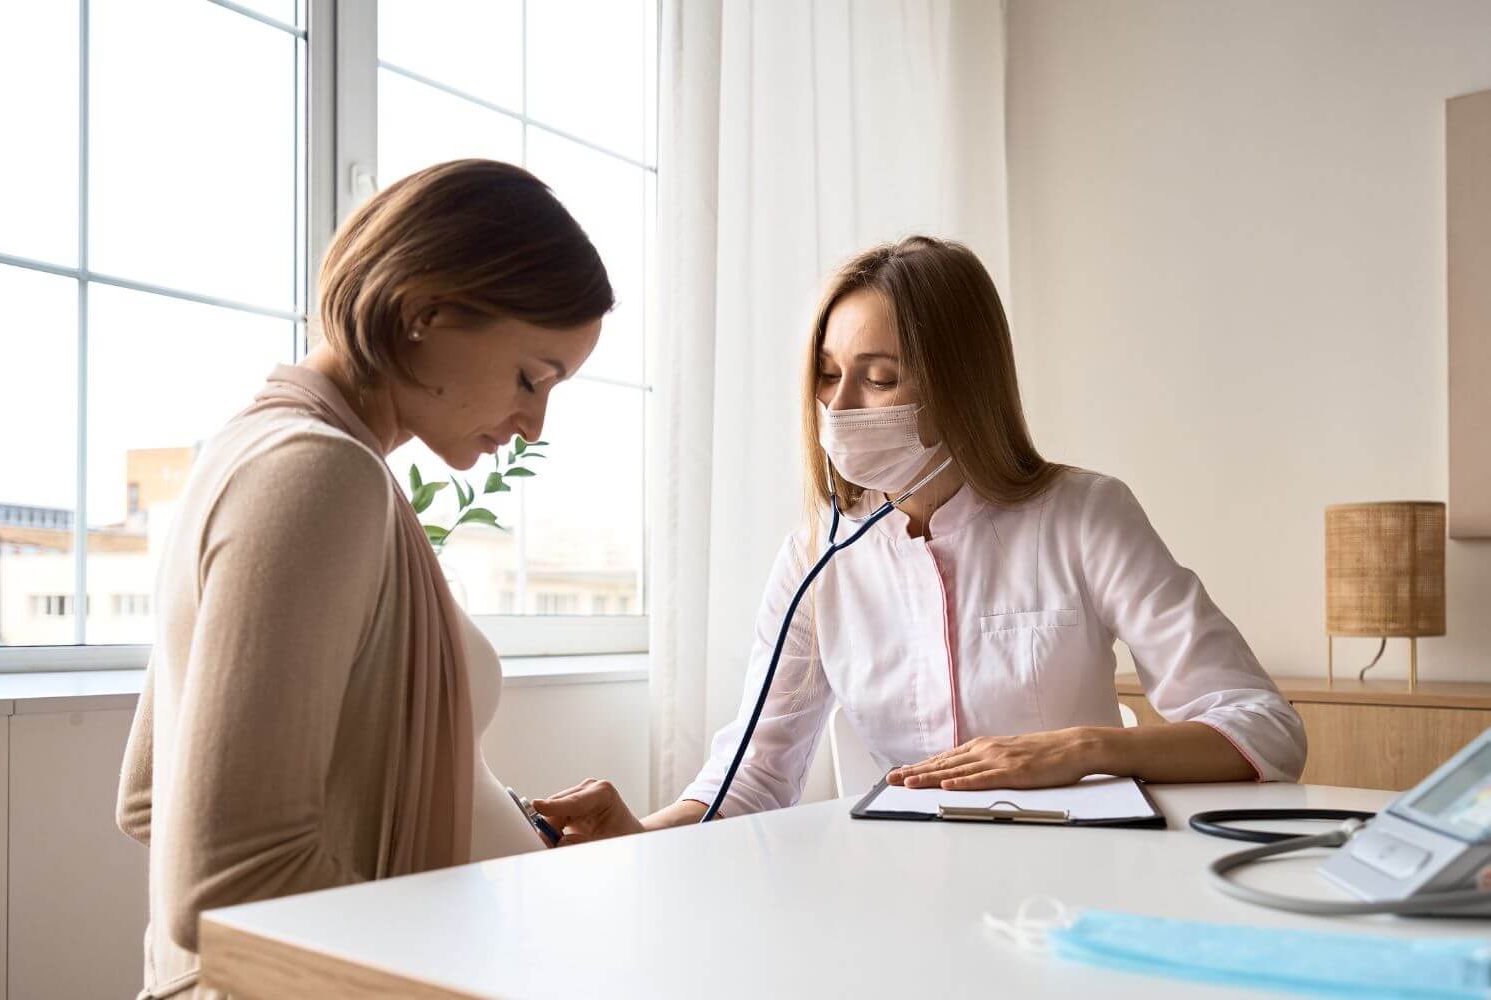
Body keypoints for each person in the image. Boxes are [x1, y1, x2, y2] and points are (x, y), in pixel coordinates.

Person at [535, 235, 1307, 842]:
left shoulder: (1085, 514)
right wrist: (636, 834)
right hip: (893, 886)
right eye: (827, 374)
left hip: (1075, 878)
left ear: (958, 382)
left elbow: (1263, 728)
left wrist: (1084, 749)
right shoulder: (817, 555)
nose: (840, 405)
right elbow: (754, 777)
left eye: (879, 377)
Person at [115, 159, 612, 999]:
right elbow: (230, 882)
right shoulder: (317, 472)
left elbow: (146, 798)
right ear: (424, 310)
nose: (533, 424)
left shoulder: (267, 449)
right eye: (532, 376)